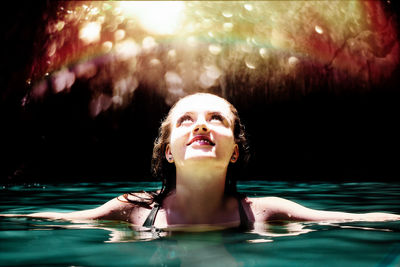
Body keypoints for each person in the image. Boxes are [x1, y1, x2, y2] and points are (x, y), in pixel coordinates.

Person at [1, 93, 399, 229]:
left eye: (216, 120)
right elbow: (58, 219)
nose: (201, 126)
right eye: (186, 120)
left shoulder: (266, 213)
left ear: (235, 150)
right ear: (169, 150)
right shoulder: (132, 211)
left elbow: (351, 219)